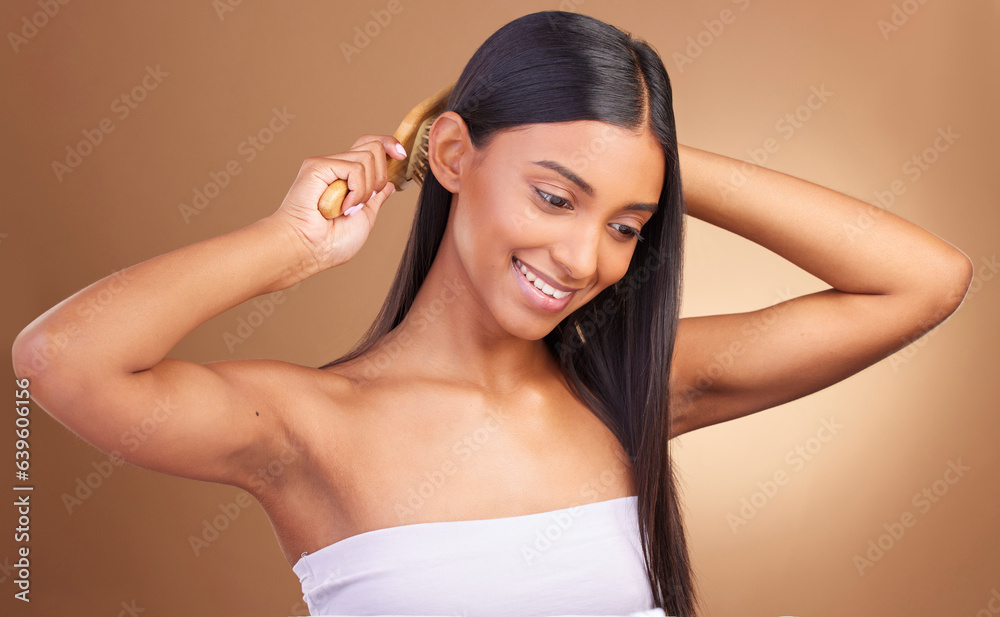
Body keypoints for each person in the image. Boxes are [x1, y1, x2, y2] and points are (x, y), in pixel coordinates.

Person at [11, 10, 972, 617]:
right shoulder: (305, 427)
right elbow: (61, 357)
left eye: (628, 224)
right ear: (456, 155)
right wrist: (292, 243)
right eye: (556, 197)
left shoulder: (629, 391)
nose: (584, 258)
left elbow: (924, 279)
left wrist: (656, 159)